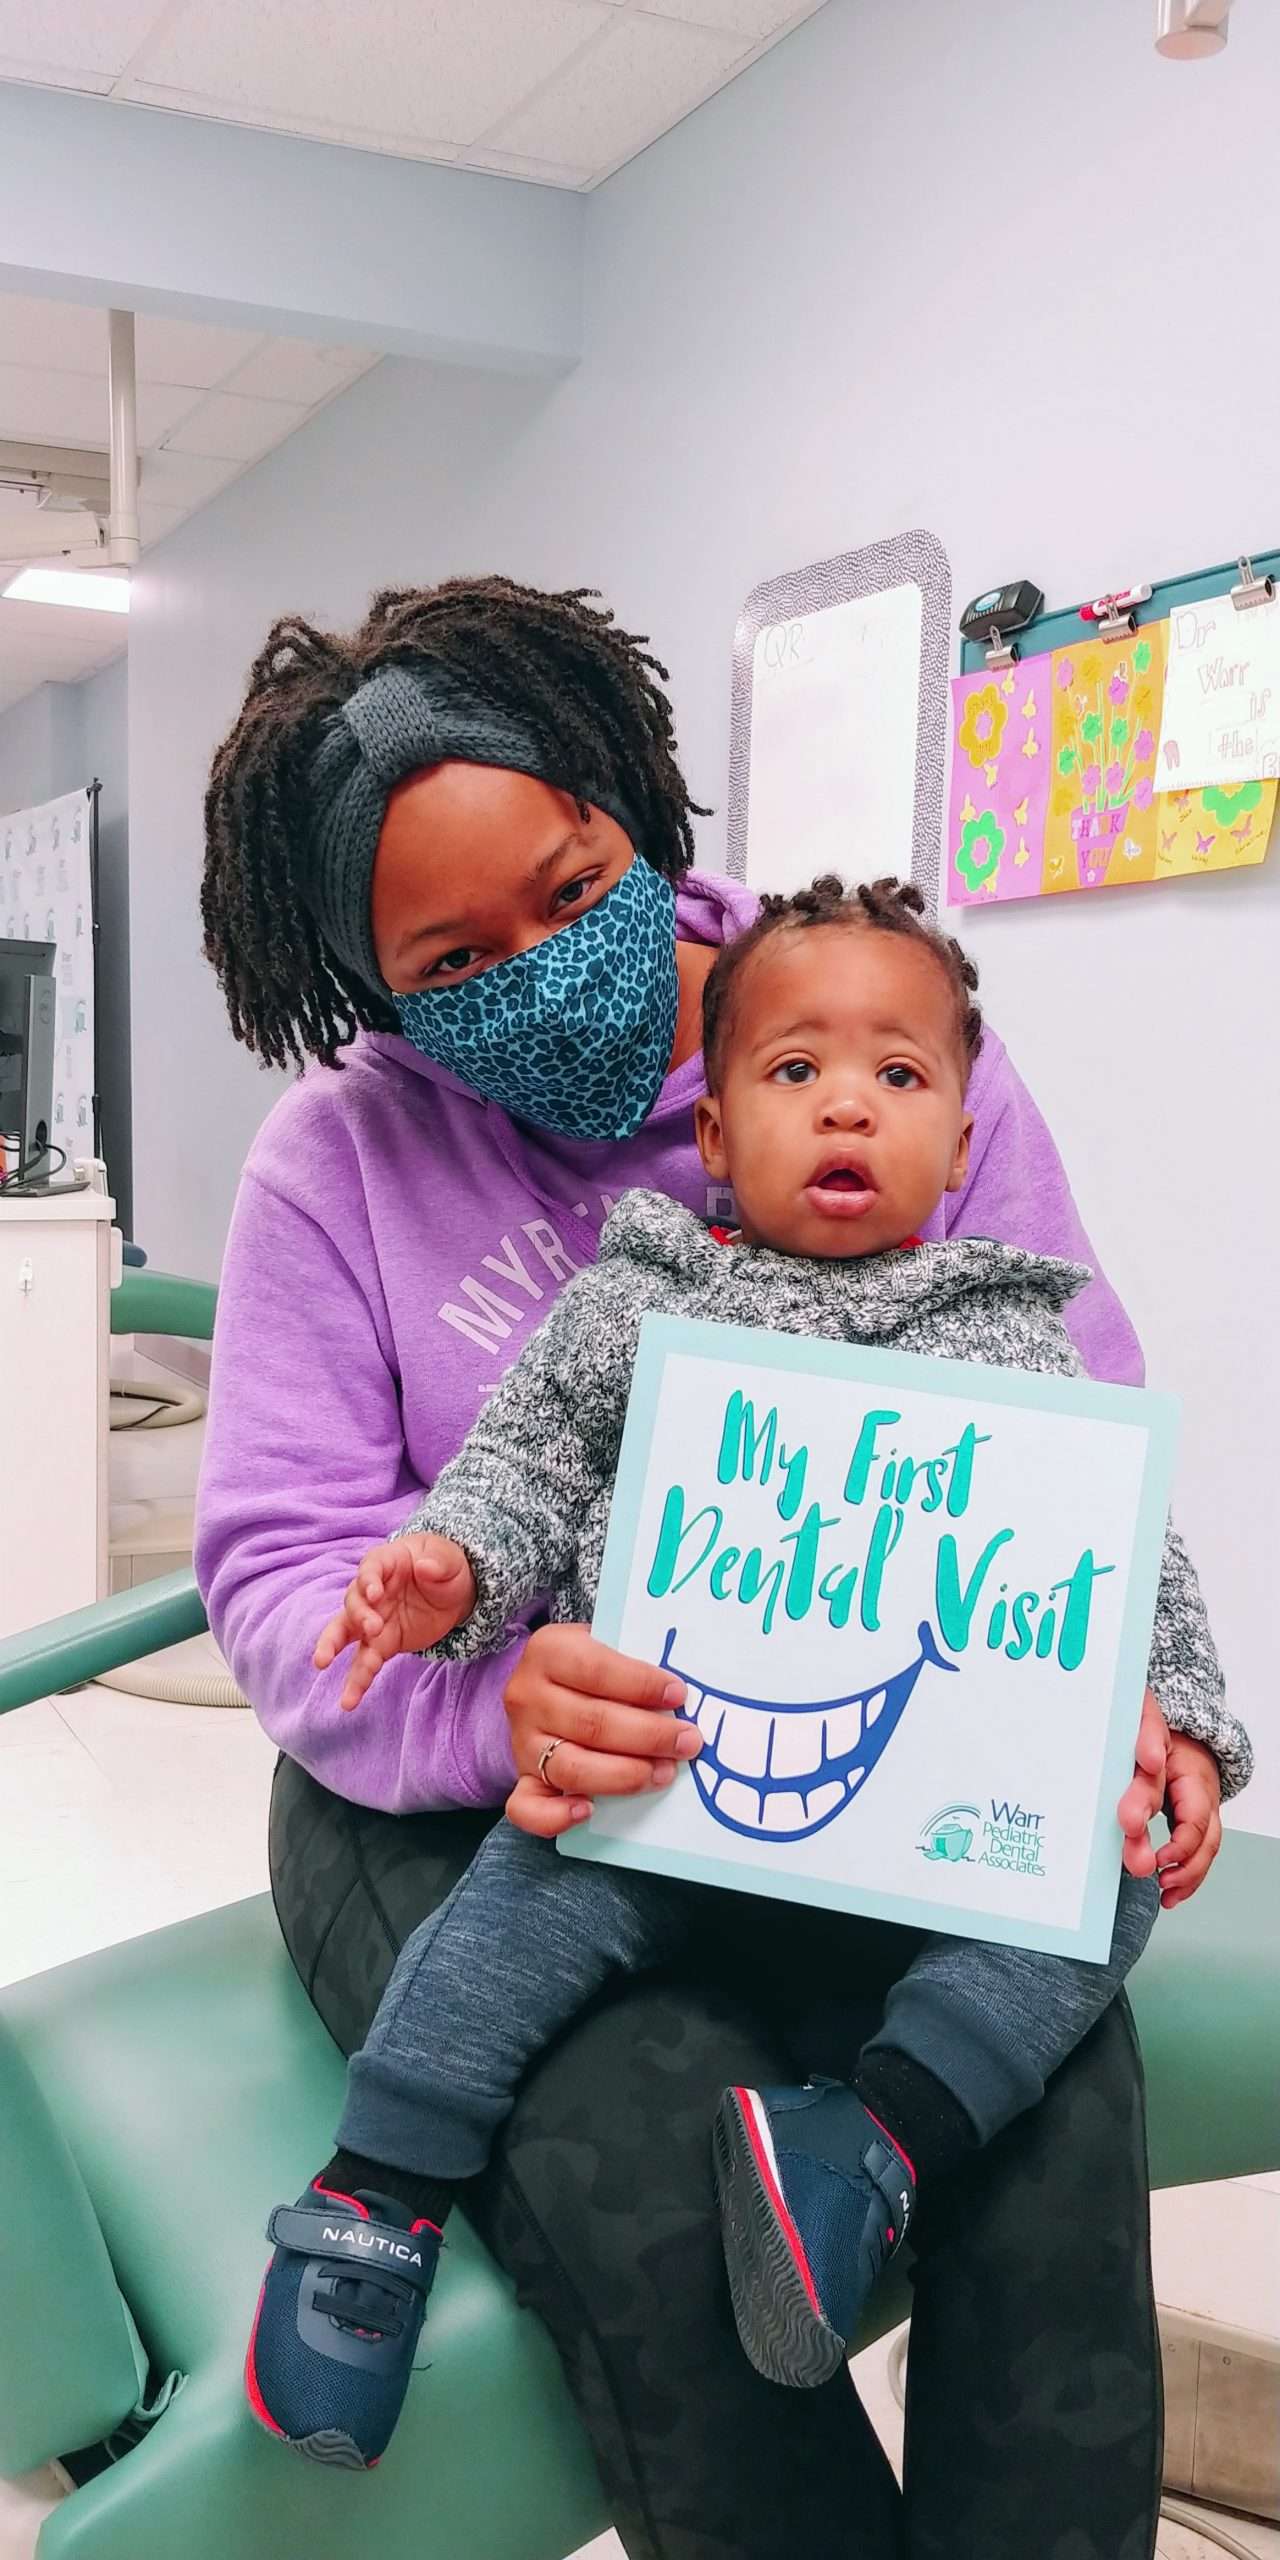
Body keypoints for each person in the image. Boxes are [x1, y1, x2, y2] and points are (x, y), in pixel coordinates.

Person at [197, 577, 1234, 2559]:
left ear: (635, 800)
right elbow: (280, 1570)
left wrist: (1136, 1707)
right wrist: (491, 1690)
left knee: (1045, 2133)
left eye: (574, 888)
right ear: (370, 986)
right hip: (491, 1800)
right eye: (451, 959)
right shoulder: (335, 1167)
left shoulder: (876, 1028)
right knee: (661, 2196)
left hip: (887, 1763)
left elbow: (1081, 1440)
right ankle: (374, 2209)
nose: (537, 968)